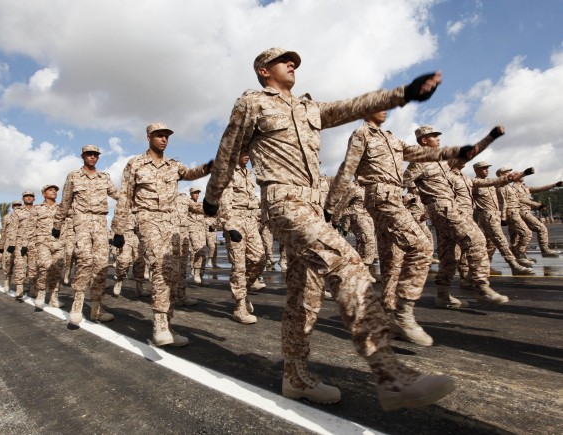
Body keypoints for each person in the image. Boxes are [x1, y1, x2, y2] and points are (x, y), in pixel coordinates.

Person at [202, 47, 455, 410]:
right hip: (283, 201)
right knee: (346, 263)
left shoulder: (310, 108)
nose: (293, 65)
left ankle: (296, 377)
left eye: (295, 62)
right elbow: (227, 151)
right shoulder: (252, 104)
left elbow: (352, 105)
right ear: (263, 70)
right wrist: (212, 199)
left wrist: (403, 93)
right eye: (283, 61)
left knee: (304, 295)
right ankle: (390, 375)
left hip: (313, 205)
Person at [327, 118, 476, 347]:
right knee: (421, 246)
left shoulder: (392, 139)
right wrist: (331, 210)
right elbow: (347, 169)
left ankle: (387, 319)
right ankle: (403, 315)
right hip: (381, 198)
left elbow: (420, 155)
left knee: (392, 261)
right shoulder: (362, 134)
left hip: (392, 199)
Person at [111, 122, 211, 347]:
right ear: (148, 137)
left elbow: (191, 173)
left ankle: (168, 324)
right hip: (148, 219)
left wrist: (210, 167)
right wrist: (119, 229)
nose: (164, 139)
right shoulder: (135, 164)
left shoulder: (173, 165)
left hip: (172, 222)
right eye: (159, 135)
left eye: (167, 136)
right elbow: (125, 196)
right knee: (161, 267)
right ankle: (159, 324)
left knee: (175, 274)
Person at [404, 125, 510, 307]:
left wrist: (491, 136)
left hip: (446, 210)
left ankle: (442, 295)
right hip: (442, 208)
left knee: (449, 255)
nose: (438, 139)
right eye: (434, 136)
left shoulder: (443, 161)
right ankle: (481, 286)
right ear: (424, 140)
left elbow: (470, 153)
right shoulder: (418, 162)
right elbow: (401, 180)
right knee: (476, 240)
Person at [52, 145, 120, 324]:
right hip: (81, 222)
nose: (92, 157)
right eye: (89, 154)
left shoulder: (104, 177)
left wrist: (137, 198)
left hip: (100, 223)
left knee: (101, 264)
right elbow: (65, 201)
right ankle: (78, 303)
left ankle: (96, 309)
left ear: (98, 157)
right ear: (83, 156)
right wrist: (57, 223)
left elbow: (117, 195)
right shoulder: (74, 176)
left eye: (95, 155)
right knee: (84, 260)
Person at [220, 151, 266, 324]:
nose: (247, 155)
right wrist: (230, 226)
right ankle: (239, 308)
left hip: (250, 220)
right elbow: (224, 200)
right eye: (244, 151)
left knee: (259, 259)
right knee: (238, 266)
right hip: (236, 221)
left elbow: (252, 199)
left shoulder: (249, 173)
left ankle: (243, 291)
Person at [472, 162, 534, 274]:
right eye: (483, 168)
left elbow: (506, 180)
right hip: (486, 215)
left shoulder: (491, 183)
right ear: (476, 170)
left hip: (495, 216)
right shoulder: (475, 183)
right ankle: (514, 265)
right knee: (501, 241)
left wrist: (524, 173)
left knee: (490, 244)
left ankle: (482, 268)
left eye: (487, 168)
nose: (486, 170)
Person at [25, 185, 66, 308]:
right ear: (44, 193)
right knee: (45, 265)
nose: (54, 192)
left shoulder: (61, 209)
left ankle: (54, 297)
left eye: (55, 190)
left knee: (57, 270)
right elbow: (31, 228)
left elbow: (68, 225)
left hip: (59, 243)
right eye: (50, 190)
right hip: (43, 242)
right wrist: (30, 244)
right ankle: (41, 292)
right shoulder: (37, 209)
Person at [514, 178, 562, 258]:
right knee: (541, 228)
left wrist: (555, 185)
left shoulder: (524, 187)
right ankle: (544, 250)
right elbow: (522, 200)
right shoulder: (514, 188)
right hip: (522, 211)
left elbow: (539, 189)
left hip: (526, 211)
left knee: (520, 235)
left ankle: (520, 254)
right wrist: (538, 205)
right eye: (518, 174)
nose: (522, 176)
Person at [9, 191, 37, 299]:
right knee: (20, 265)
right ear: (23, 199)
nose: (29, 198)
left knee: (33, 266)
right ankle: (19, 288)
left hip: (34, 241)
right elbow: (13, 228)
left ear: (34, 199)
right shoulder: (18, 212)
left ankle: (33, 289)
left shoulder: (38, 210)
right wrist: (12, 243)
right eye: (26, 196)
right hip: (20, 242)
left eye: (31, 196)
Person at [0, 200, 21, 292]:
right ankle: (7, 279)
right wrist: (1, 244)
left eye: (19, 205)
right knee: (8, 262)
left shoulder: (24, 216)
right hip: (8, 242)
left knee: (20, 264)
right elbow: (3, 231)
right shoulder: (7, 217)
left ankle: (20, 286)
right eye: (15, 205)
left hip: (20, 242)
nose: (17, 207)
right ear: (12, 207)